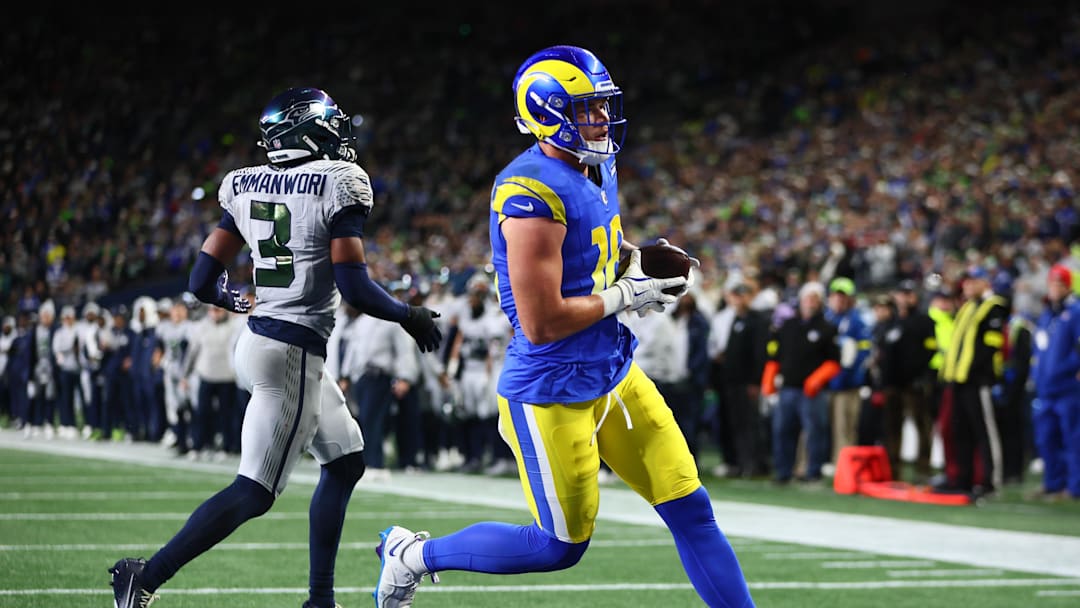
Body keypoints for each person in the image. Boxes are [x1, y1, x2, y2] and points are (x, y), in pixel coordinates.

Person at [372, 46, 753, 608]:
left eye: (601, 105)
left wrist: (636, 260)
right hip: (552, 388)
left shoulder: (596, 164)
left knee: (691, 508)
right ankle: (410, 556)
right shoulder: (528, 190)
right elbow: (543, 321)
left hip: (615, 372)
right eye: (586, 109)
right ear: (547, 112)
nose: (600, 119)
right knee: (559, 546)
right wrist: (628, 293)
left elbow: (597, 244)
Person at [109, 86, 442, 608]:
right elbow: (353, 286)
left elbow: (200, 281)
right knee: (254, 491)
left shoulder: (244, 183)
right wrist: (409, 315)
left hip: (263, 339)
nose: (339, 131)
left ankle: (319, 600)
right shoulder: (339, 182)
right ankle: (145, 576)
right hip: (292, 352)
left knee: (346, 460)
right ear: (309, 131)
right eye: (330, 122)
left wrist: (234, 299)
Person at [761, 281, 840, 484]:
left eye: (815, 298)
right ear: (801, 300)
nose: (810, 302)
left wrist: (818, 378)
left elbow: (834, 361)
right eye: (808, 298)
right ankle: (783, 471)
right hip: (787, 388)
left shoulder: (827, 328)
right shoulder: (788, 325)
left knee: (814, 432)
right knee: (782, 430)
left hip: (812, 391)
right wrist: (769, 378)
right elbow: (776, 356)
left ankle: (813, 472)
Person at [939, 267, 1008, 497]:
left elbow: (991, 345)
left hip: (978, 381)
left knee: (984, 431)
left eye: (971, 282)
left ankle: (990, 482)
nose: (966, 286)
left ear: (983, 282)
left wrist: (974, 371)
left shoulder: (995, 306)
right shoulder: (968, 307)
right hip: (959, 380)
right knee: (961, 431)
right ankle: (963, 479)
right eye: (965, 283)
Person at [1030, 264, 1080, 499]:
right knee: (1046, 437)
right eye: (1052, 283)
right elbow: (1040, 349)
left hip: (1068, 387)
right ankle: (1053, 483)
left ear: (1068, 286)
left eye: (1059, 284)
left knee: (1072, 437)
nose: (1055, 288)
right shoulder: (1048, 314)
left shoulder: (1076, 312)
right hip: (1045, 388)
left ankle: (1074, 487)